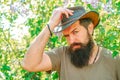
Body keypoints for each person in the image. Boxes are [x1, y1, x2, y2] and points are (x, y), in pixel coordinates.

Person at [22, 6, 120, 80]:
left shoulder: (115, 60)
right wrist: (51, 24)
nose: (71, 40)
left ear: (90, 28)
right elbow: (29, 64)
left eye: (75, 32)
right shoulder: (61, 55)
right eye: (67, 36)